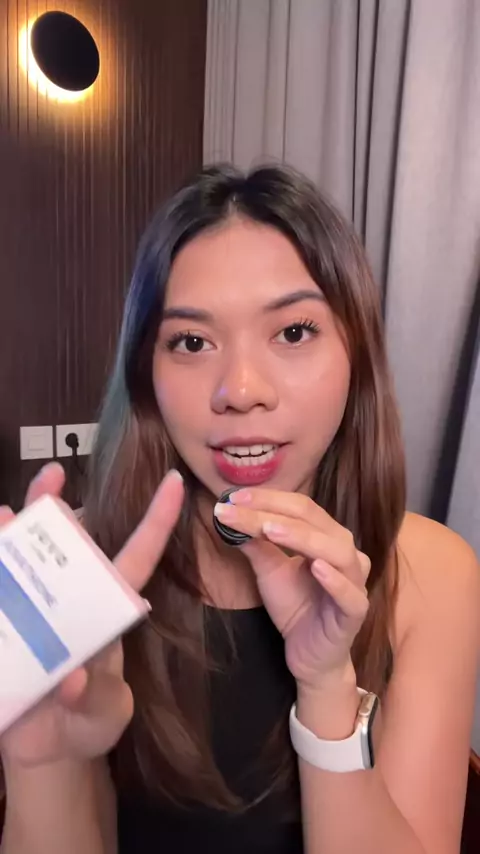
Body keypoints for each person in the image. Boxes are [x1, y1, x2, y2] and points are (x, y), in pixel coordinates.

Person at [0, 164, 478, 854]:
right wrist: (40, 761)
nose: (242, 390)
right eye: (192, 342)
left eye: (294, 332)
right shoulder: (88, 571)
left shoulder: (432, 574)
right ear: (147, 373)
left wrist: (327, 687)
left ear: (357, 353)